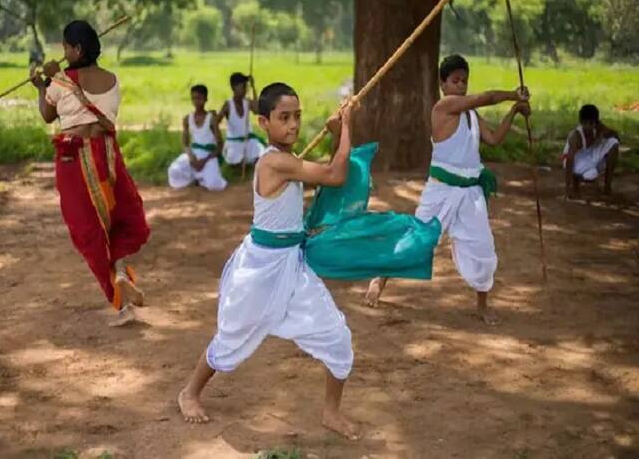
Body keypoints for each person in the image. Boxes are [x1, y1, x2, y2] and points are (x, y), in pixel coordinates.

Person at [179, 83, 361, 441]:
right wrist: (349, 125)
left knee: (337, 337)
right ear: (263, 122)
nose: (293, 125)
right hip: (260, 270)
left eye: (297, 117)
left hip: (292, 267)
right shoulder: (275, 161)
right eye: (283, 118)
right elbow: (334, 175)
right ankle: (189, 393)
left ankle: (331, 411)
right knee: (230, 340)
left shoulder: (286, 160)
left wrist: (339, 134)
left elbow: (323, 171)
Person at [364, 54, 530, 326]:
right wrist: (513, 95)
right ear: (443, 85)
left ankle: (482, 305)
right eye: (456, 81)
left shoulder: (472, 116)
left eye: (465, 81)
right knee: (419, 239)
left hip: (470, 193)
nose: (461, 86)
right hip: (441, 190)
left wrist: (514, 111)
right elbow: (486, 97)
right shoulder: (443, 107)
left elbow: (495, 140)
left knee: (482, 247)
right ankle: (381, 276)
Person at [31, 20, 150, 327]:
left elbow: (47, 116)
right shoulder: (113, 79)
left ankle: (119, 297)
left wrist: (42, 83)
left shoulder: (62, 81)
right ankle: (121, 274)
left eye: (66, 47)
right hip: (108, 156)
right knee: (114, 221)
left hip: (74, 158)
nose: (64, 52)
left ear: (78, 49)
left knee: (88, 229)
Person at [167, 84, 227, 192]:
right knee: (173, 171)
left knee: (214, 184)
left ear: (205, 99)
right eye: (194, 98)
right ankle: (195, 178)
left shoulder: (211, 119)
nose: (196, 101)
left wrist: (205, 160)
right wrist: (191, 158)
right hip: (193, 154)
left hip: (208, 156)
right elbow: (185, 143)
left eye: (199, 98)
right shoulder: (187, 119)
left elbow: (220, 145)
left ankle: (201, 178)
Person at [563, 104, 619, 200]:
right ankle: (576, 182)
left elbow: (615, 135)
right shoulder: (575, 136)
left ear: (596, 123)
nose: (588, 126)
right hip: (576, 160)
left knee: (613, 142)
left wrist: (604, 133)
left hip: (589, 155)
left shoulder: (599, 127)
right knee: (591, 175)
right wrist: (568, 187)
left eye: (591, 123)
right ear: (581, 122)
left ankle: (607, 187)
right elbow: (569, 160)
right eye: (585, 123)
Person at [217, 72, 266, 166]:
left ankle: (251, 160)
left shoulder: (247, 102)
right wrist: (219, 141)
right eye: (243, 86)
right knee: (236, 161)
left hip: (248, 141)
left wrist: (253, 87)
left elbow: (257, 110)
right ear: (233, 87)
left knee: (262, 157)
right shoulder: (228, 105)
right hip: (234, 142)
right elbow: (216, 123)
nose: (245, 89)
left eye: (246, 87)